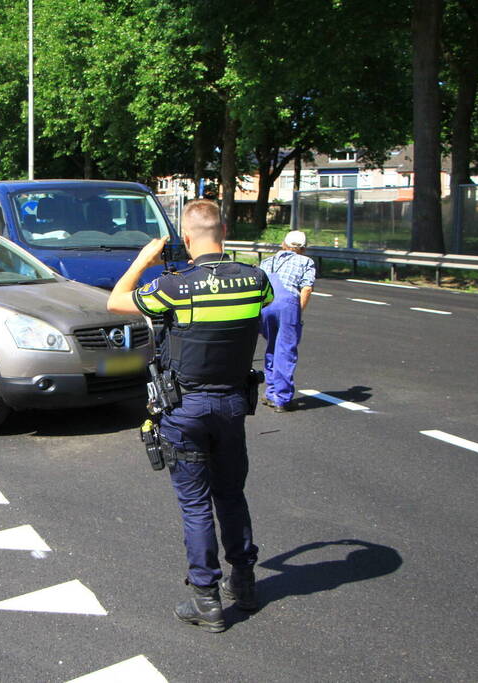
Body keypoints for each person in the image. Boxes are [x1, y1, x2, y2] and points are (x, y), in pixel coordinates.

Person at [107, 199, 274, 632]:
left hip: (185, 410)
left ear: (185, 239)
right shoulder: (255, 281)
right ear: (226, 231)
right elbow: (267, 306)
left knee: (196, 504)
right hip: (233, 406)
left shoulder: (173, 286)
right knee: (232, 495)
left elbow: (116, 302)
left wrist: (144, 259)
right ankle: (246, 584)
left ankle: (207, 600)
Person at [258, 230, 315, 413]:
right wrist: (298, 313)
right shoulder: (306, 262)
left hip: (265, 305)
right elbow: (306, 289)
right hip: (287, 304)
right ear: (303, 248)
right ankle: (282, 399)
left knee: (272, 346)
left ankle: (271, 391)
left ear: (283, 244)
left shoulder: (267, 261)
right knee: (285, 349)